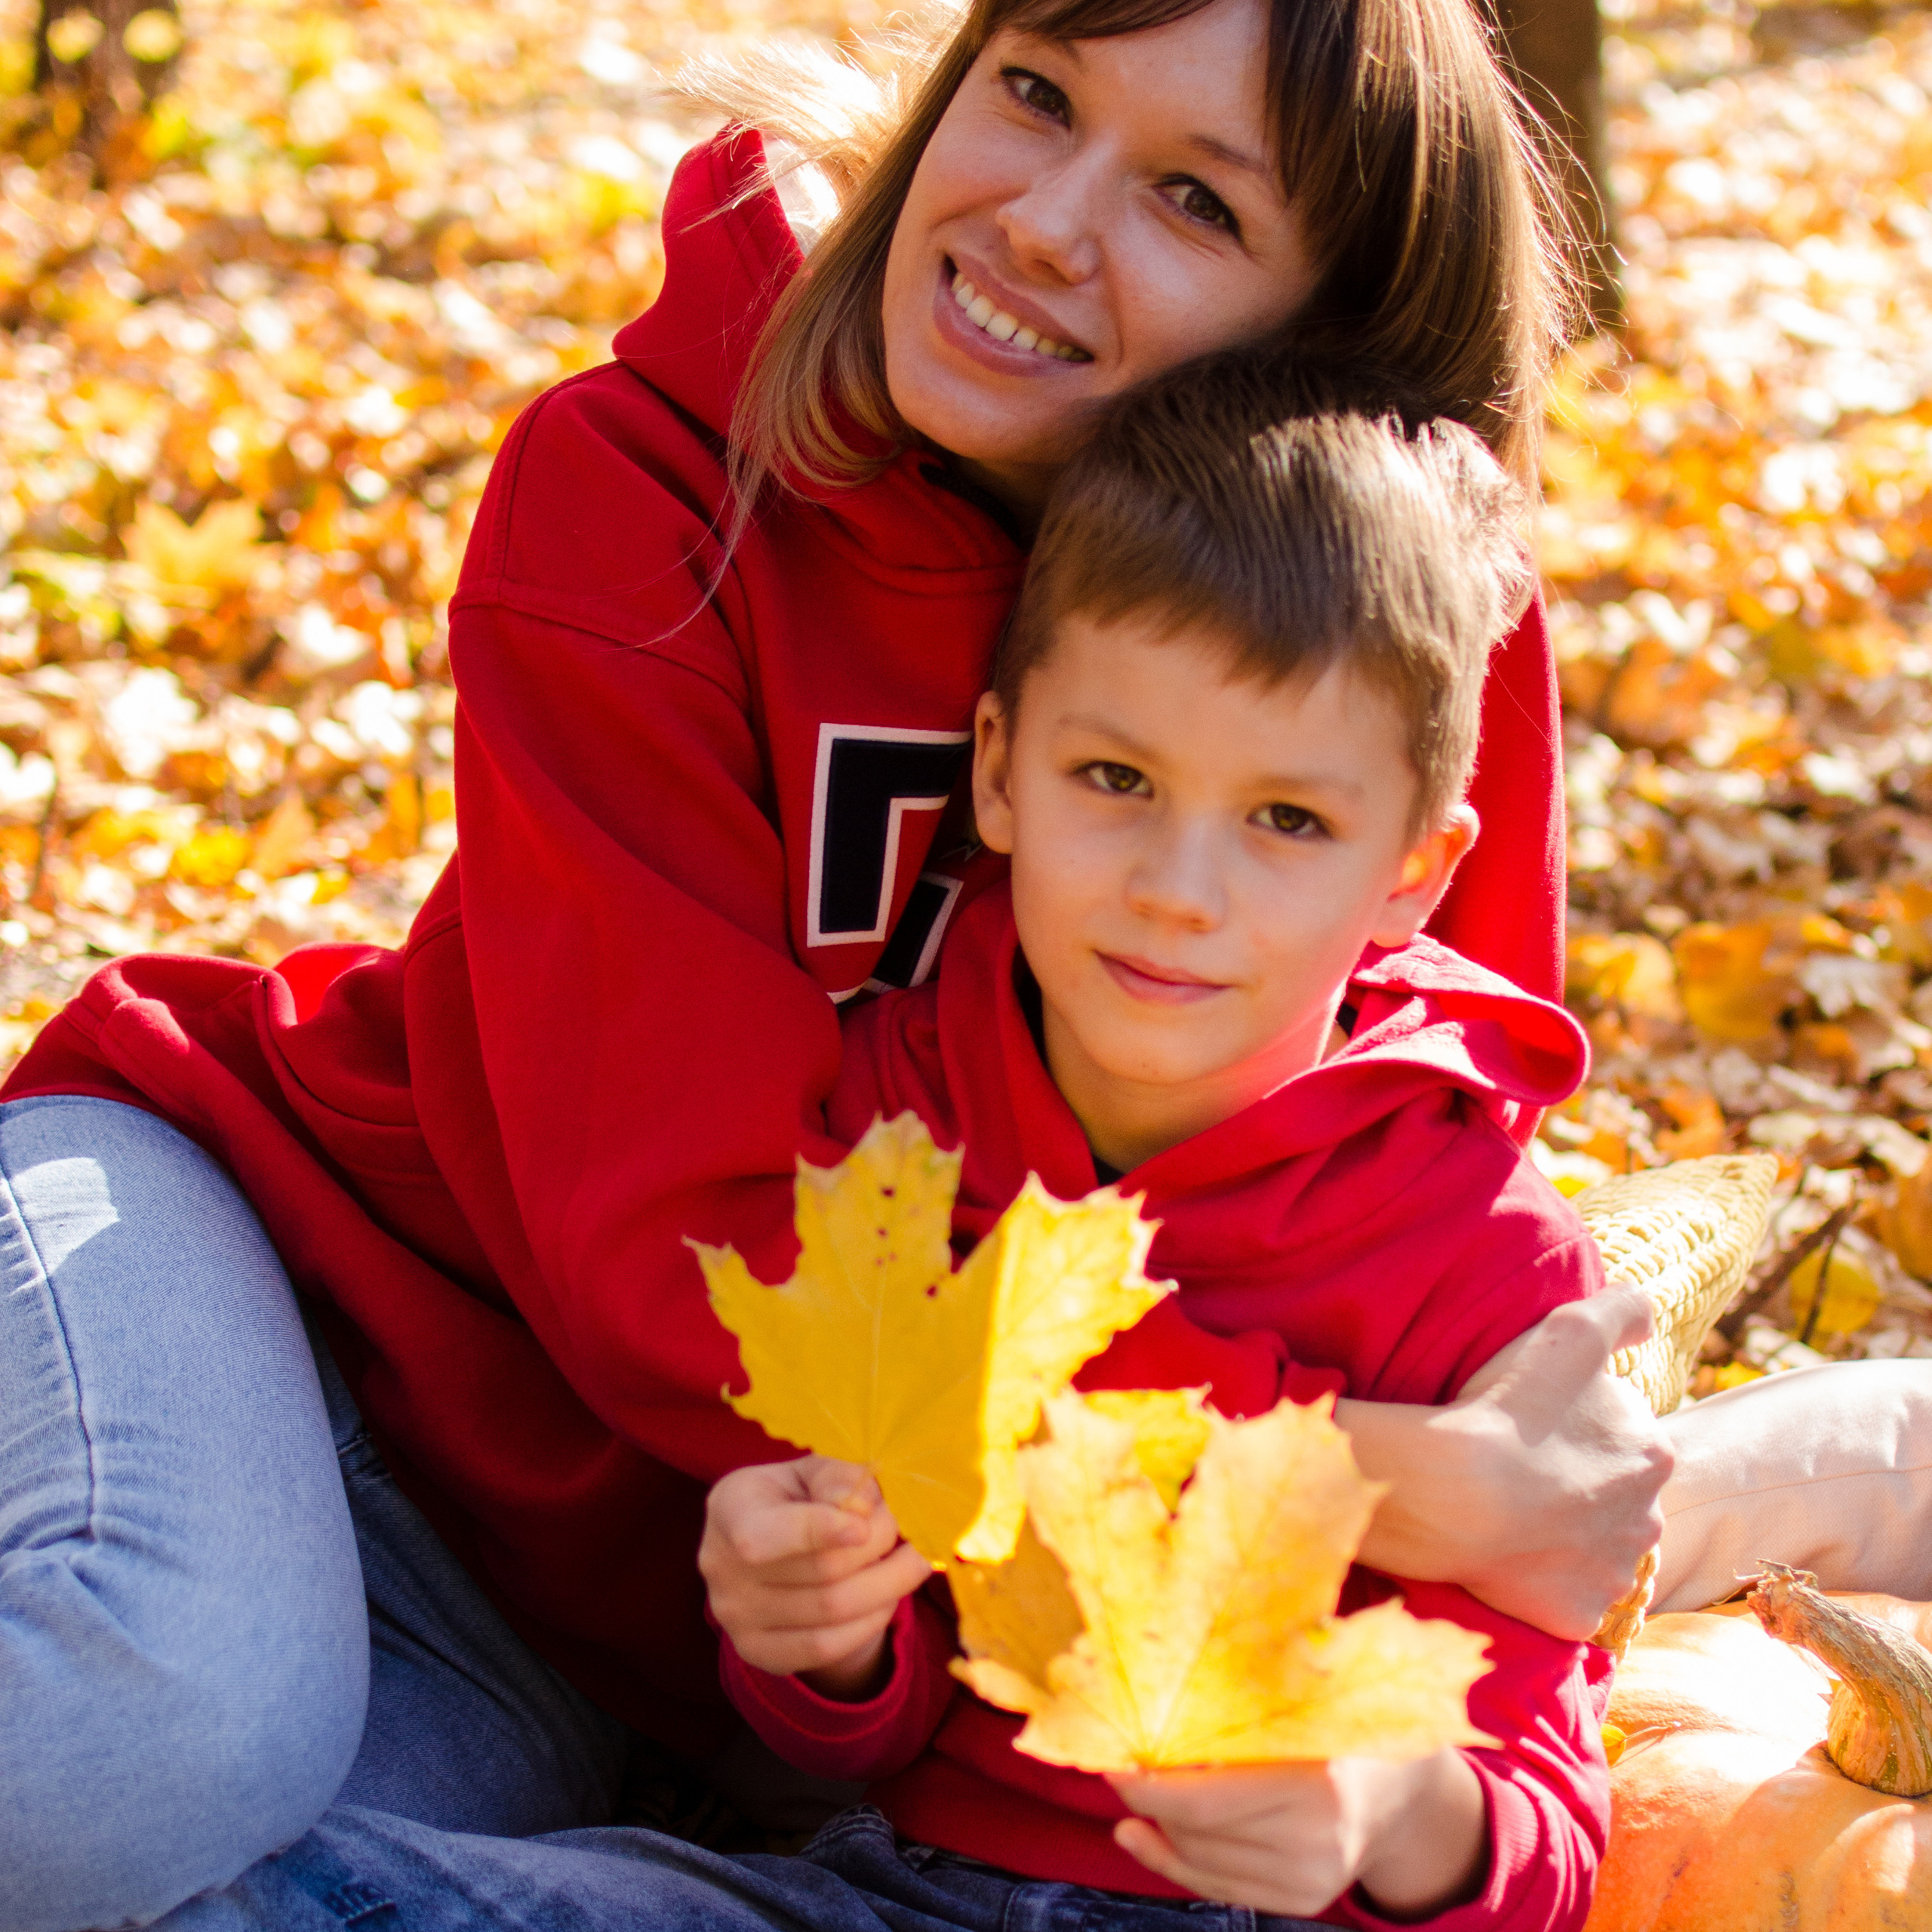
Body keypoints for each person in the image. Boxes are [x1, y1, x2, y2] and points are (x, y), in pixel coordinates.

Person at [0, 2, 1669, 1925]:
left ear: (1330, 342)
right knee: (157, 1743)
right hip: (289, 1292)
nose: (1043, 218)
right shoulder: (639, 491)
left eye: (1193, 201)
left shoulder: (1390, 639)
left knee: (190, 1881)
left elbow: (1376, 1196)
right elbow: (694, 1275)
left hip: (630, 1624)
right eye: (1032, 93)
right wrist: (1379, 1473)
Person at [697, 355, 1606, 1932]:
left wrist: (1390, 1800)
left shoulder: (1479, 1258)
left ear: (1410, 871)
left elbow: (1545, 1818)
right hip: (880, 1886)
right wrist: (817, 1638)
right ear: (997, 769)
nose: (1179, 888)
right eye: (1114, 780)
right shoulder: (888, 1123)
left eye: (1285, 821)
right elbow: (873, 1708)